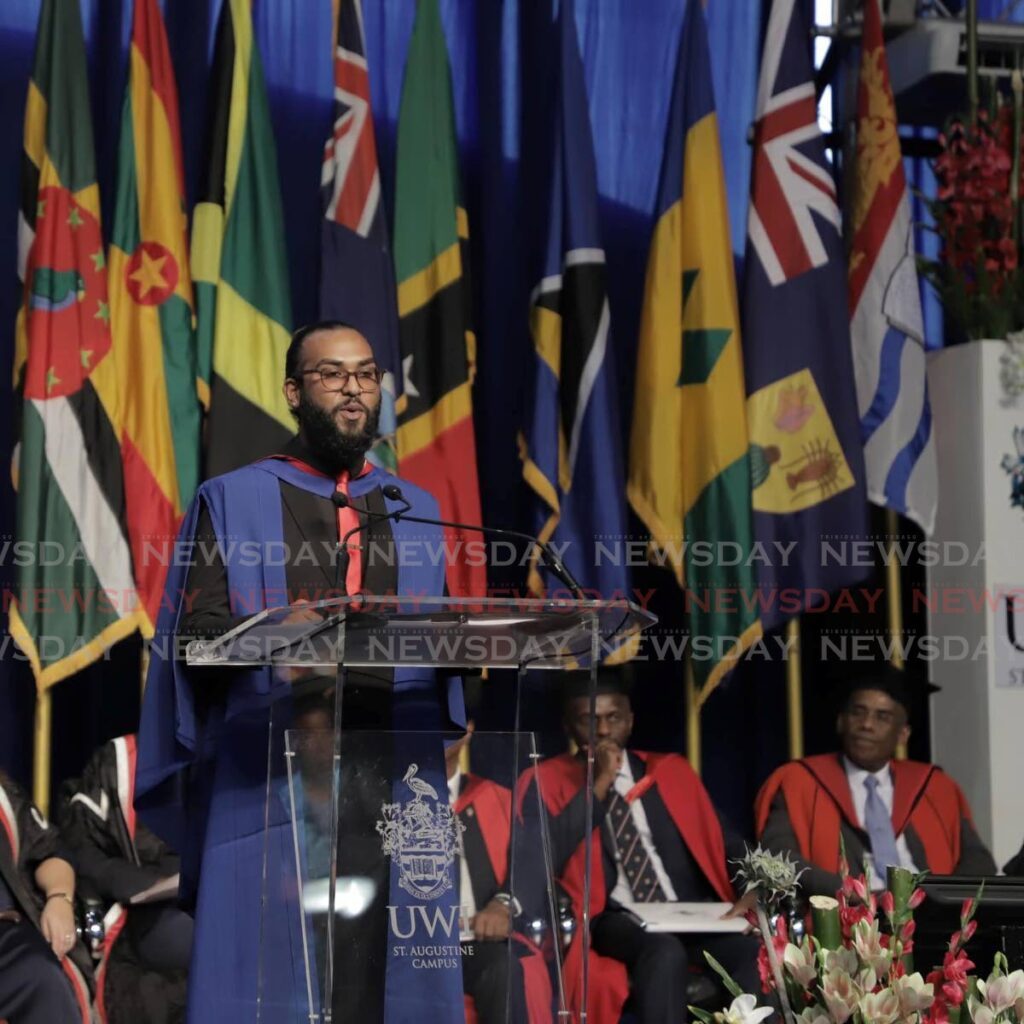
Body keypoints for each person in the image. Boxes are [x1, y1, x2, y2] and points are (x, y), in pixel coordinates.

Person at [135, 322, 465, 1023]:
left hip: (387, 777)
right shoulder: (232, 500)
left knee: (378, 981)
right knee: (269, 981)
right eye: (332, 374)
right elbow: (196, 639)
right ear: (293, 390)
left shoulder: (420, 513)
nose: (354, 388)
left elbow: (435, 652)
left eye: (367, 374)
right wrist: (286, 646)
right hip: (271, 778)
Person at [522, 671, 759, 1024]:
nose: (603, 730)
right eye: (590, 719)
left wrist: (752, 888)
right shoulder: (545, 781)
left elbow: (727, 842)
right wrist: (600, 781)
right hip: (614, 919)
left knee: (750, 952)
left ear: (630, 721)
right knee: (664, 952)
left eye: (613, 718)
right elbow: (546, 855)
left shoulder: (670, 771)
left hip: (687, 913)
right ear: (568, 725)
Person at [755, 664, 996, 897]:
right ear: (841, 721)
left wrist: (941, 901)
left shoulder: (935, 787)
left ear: (903, 734)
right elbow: (779, 857)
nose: (867, 725)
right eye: (858, 712)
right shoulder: (800, 782)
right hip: (841, 917)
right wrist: (850, 894)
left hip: (927, 918)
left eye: (883, 717)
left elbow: (979, 860)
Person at [59, 734, 190, 1023]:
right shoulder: (120, 761)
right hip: (141, 912)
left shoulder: (241, 758)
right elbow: (80, 849)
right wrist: (147, 885)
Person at [445, 725, 552, 1024]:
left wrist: (502, 904)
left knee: (503, 967)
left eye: (446, 724)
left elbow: (533, 864)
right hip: (410, 944)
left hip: (473, 944)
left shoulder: (498, 798)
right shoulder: (383, 803)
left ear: (468, 731)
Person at [0, 771, 92, 1024]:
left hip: (6, 934)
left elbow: (49, 850)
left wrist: (60, 897)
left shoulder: (3, 794)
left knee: (42, 975)